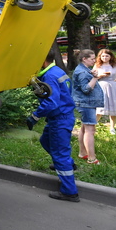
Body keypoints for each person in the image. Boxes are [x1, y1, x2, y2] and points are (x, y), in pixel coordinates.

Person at [25, 49, 79, 202]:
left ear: (42, 62)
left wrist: (35, 116)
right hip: (62, 116)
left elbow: (51, 102)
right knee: (45, 141)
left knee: (60, 154)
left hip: (59, 118)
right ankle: (68, 164)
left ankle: (69, 191)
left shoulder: (49, 76)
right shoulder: (56, 70)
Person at [72, 49, 104, 165]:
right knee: (90, 130)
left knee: (85, 128)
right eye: (91, 58)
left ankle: (82, 152)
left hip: (87, 103)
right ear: (84, 59)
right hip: (86, 103)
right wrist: (96, 78)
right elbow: (86, 89)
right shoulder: (82, 72)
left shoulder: (84, 69)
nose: (94, 60)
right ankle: (92, 158)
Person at [93, 48, 116, 134]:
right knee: (100, 107)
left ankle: (112, 127)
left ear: (110, 56)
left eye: (107, 56)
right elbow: (91, 75)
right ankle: (93, 126)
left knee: (114, 106)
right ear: (100, 57)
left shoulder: (115, 65)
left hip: (113, 86)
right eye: (103, 56)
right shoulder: (97, 65)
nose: (105, 58)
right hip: (102, 86)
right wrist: (99, 76)